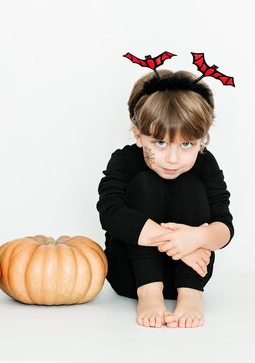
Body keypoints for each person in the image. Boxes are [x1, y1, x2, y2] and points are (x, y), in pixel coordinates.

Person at [97, 65, 234, 329]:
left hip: (192, 270)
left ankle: (191, 294)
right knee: (145, 183)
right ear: (139, 136)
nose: (172, 158)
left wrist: (196, 238)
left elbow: (224, 227)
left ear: (202, 140)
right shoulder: (124, 161)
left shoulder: (205, 164)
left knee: (190, 184)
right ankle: (149, 292)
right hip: (131, 276)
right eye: (160, 143)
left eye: (186, 145)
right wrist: (176, 243)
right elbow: (110, 213)